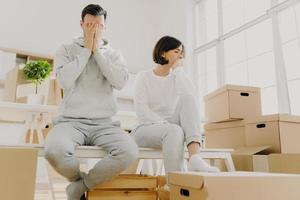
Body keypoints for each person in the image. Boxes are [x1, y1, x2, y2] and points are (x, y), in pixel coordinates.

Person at [44, 4, 138, 200]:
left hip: (104, 124)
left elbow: (120, 82)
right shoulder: (66, 49)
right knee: (54, 150)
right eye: (89, 25)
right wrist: (86, 51)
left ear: (105, 27)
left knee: (129, 151)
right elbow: (63, 81)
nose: (94, 29)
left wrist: (98, 52)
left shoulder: (114, 54)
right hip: (70, 122)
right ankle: (78, 181)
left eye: (99, 25)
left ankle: (79, 187)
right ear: (81, 24)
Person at [132, 36, 219, 187]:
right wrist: (167, 125)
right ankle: (175, 186)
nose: (181, 55)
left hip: (172, 129)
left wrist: (178, 70)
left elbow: (190, 95)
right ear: (163, 53)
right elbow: (141, 110)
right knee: (174, 131)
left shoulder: (177, 77)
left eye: (182, 52)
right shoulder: (144, 76)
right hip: (146, 129)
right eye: (177, 51)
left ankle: (195, 158)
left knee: (188, 100)